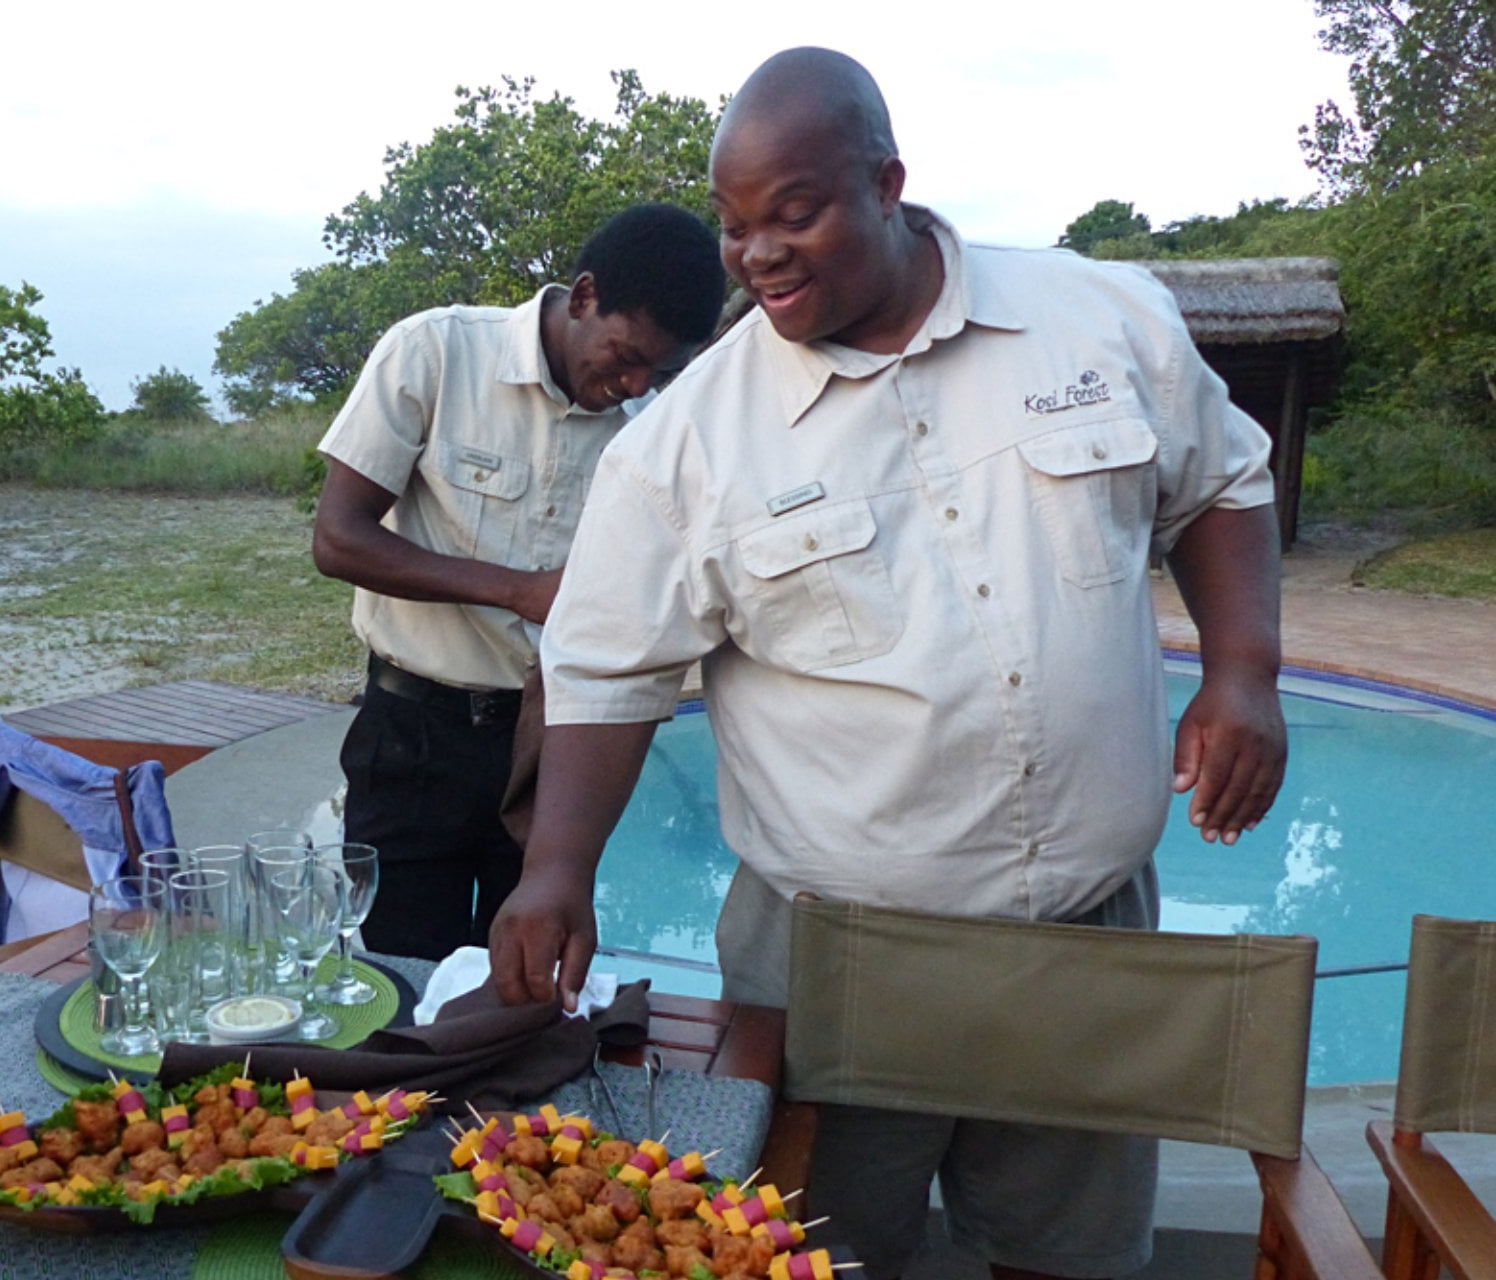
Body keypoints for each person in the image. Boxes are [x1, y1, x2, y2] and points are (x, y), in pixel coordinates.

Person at [489, 49, 1286, 1280]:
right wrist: (558, 871)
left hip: (1080, 937)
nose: (758, 254)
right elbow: (604, 668)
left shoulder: (1096, 314)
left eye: (793, 212)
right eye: (735, 226)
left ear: (888, 181)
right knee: (814, 1253)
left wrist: (1245, 671)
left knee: (1069, 1256)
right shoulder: (692, 439)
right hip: (832, 959)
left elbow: (1221, 482)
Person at [312, 203, 728, 961]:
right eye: (625, 353)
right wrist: (517, 588)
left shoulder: (653, 425)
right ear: (584, 295)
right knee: (403, 981)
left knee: (521, 982)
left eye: (659, 372)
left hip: (552, 744)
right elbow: (339, 539)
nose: (632, 383)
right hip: (412, 735)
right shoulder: (435, 352)